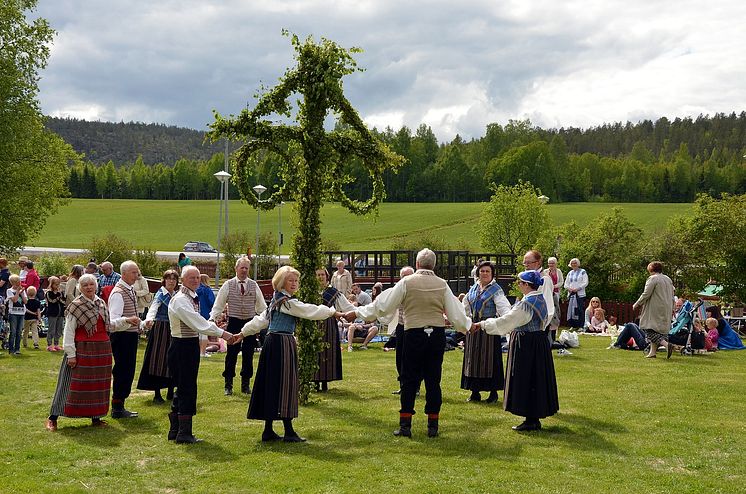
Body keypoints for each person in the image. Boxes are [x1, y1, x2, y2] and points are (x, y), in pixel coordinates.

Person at [349, 249, 472, 438]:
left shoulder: (406, 282)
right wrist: (467, 326)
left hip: (413, 333)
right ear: (434, 265)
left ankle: (405, 425)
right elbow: (456, 314)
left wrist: (358, 313)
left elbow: (383, 305)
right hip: (437, 334)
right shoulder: (442, 284)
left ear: (416, 264)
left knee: (408, 378)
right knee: (433, 379)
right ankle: (433, 425)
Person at [234, 265, 344, 442]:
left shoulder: (278, 301)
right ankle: (288, 431)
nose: (294, 283)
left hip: (273, 344)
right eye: (290, 280)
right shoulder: (286, 302)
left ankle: (269, 430)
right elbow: (308, 310)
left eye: (295, 280)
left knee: (271, 384)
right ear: (281, 282)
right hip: (282, 344)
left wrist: (242, 333)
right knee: (285, 385)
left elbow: (261, 320)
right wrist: (332, 312)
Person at [473, 270, 559, 431]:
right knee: (536, 378)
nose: (518, 285)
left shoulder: (526, 304)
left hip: (527, 343)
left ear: (526, 284)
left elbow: (507, 321)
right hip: (538, 342)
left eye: (520, 282)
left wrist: (483, 324)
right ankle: (533, 417)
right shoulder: (540, 299)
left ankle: (531, 419)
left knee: (526, 378)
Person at [167, 265, 234, 443]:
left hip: (187, 345)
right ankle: (184, 433)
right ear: (183, 280)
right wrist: (223, 334)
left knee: (184, 386)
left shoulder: (190, 297)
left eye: (197, 277)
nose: (196, 280)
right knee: (187, 387)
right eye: (191, 278)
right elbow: (197, 323)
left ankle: (176, 430)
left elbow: (200, 322)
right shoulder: (181, 299)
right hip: (182, 346)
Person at [46, 274, 112, 431]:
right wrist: (71, 354)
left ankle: (96, 418)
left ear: (96, 286)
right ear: (79, 288)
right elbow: (68, 331)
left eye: (91, 284)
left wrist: (126, 321)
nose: (89, 287)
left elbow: (107, 326)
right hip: (82, 349)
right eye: (85, 285)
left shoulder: (101, 303)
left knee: (97, 385)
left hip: (102, 351)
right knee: (70, 384)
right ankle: (53, 417)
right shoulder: (75, 306)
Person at [209, 256, 267, 396]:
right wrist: (212, 319)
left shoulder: (254, 285)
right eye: (242, 268)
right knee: (231, 354)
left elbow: (261, 307)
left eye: (247, 268)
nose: (244, 270)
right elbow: (219, 304)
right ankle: (228, 384)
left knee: (248, 354)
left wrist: (265, 319)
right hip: (234, 322)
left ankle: (245, 385)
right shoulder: (228, 285)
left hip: (250, 323)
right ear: (236, 269)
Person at [461, 260, 511, 404]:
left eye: (487, 271)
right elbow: (465, 305)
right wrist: (464, 320)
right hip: (473, 328)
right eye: (482, 271)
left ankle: (493, 393)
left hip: (489, 328)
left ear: (492, 274)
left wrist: (506, 321)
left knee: (489, 360)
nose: (484, 273)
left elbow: (504, 308)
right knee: (473, 359)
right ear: (478, 273)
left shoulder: (496, 290)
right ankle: (474, 392)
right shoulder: (474, 288)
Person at [108, 260, 144, 418]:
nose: (137, 276)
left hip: (129, 335)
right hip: (122, 336)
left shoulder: (129, 289)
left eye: (137, 272)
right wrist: (129, 320)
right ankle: (117, 406)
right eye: (134, 273)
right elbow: (113, 320)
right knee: (123, 370)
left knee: (128, 370)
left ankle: (120, 404)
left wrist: (141, 324)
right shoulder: (118, 292)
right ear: (123, 274)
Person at [137, 270, 178, 402]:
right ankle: (157, 393)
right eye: (169, 279)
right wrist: (149, 320)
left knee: (172, 359)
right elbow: (153, 308)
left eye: (174, 279)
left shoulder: (176, 295)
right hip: (160, 328)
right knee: (158, 360)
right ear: (164, 280)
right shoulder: (160, 294)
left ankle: (171, 390)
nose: (171, 281)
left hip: (173, 329)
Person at [313, 268, 356, 392]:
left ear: (327, 276)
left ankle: (325, 383)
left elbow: (347, 306)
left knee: (327, 352)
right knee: (315, 352)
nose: (320, 277)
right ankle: (314, 382)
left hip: (328, 325)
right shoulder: (310, 292)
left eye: (322, 275)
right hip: (313, 324)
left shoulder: (333, 292)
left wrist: (361, 312)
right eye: (318, 275)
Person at [632, 261, 675, 358]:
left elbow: (646, 294)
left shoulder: (653, 278)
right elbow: (672, 294)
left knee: (648, 328)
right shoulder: (668, 279)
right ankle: (652, 352)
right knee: (658, 330)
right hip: (666, 307)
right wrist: (673, 307)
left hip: (654, 307)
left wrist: (637, 303)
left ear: (651, 268)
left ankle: (666, 344)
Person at [385, 266, 414, 392]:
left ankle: (415, 386)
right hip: (401, 325)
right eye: (404, 276)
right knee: (400, 356)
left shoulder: (417, 289)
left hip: (414, 327)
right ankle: (403, 385)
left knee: (413, 357)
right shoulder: (398, 290)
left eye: (409, 276)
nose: (406, 279)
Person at [542, 257, 564, 342]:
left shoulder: (559, 272)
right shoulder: (545, 272)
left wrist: (554, 286)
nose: (551, 265)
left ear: (556, 264)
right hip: (548, 293)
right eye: (549, 263)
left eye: (552, 263)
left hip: (556, 293)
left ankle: (554, 332)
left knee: (555, 310)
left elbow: (561, 282)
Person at [6, 274, 27, 355]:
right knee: (13, 332)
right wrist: (18, 291)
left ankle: (17, 349)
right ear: (12, 283)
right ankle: (11, 349)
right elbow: (14, 300)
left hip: (21, 313)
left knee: (19, 332)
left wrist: (22, 293)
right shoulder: (9, 291)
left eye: (19, 282)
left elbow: (25, 302)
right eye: (17, 282)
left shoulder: (23, 291)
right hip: (13, 313)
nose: (19, 284)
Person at [564, 258, 588, 329]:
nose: (574, 264)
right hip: (571, 294)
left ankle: (580, 325)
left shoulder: (582, 271)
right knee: (571, 310)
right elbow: (566, 284)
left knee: (579, 309)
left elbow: (585, 282)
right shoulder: (570, 273)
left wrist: (578, 288)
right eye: (572, 263)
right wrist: (569, 288)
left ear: (578, 264)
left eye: (575, 263)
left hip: (580, 294)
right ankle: (572, 325)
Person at [196, 274, 216, 357]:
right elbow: (212, 302)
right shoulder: (207, 290)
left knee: (197, 334)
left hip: (196, 313)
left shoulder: (195, 290)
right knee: (204, 333)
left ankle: (198, 352)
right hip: (206, 314)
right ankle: (202, 352)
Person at [45, 276, 65, 351]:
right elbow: (51, 301)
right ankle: (49, 345)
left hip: (60, 313)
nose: (57, 286)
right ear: (52, 284)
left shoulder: (61, 293)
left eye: (58, 284)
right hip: (52, 313)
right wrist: (58, 297)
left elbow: (63, 302)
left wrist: (60, 297)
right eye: (55, 284)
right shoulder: (49, 293)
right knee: (51, 329)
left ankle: (56, 344)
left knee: (59, 329)